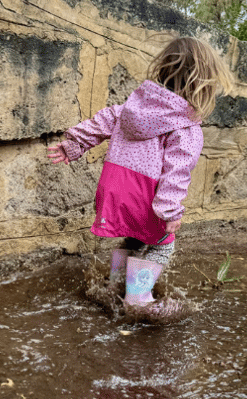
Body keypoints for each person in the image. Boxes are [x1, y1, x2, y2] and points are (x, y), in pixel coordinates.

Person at [46, 36, 234, 317]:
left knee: (134, 239)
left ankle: (113, 288)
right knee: (161, 245)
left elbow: (102, 121)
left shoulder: (131, 108)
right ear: (202, 85)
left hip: (114, 189)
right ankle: (137, 300)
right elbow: (176, 171)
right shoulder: (185, 127)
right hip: (145, 196)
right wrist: (170, 211)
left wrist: (73, 145)